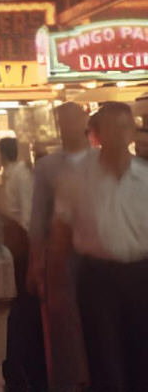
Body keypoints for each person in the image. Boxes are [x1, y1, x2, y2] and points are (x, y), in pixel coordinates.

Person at [50, 101, 148, 392]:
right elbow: (60, 231)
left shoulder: (145, 178)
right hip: (96, 276)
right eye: (110, 128)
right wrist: (55, 285)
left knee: (142, 352)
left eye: (124, 128)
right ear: (97, 134)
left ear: (132, 132)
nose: (118, 135)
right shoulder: (76, 177)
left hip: (142, 275)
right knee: (103, 355)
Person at [28, 102, 90, 392]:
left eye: (72, 120)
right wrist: (35, 263)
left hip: (98, 254)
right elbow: (38, 218)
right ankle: (70, 380)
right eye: (61, 121)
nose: (67, 126)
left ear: (85, 122)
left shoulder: (101, 161)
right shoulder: (48, 166)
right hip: (62, 256)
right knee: (65, 324)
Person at [0, 137, 33, 230]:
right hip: (10, 230)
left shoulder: (21, 172)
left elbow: (27, 206)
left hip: (20, 231)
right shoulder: (7, 173)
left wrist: (24, 234)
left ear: (3, 154)